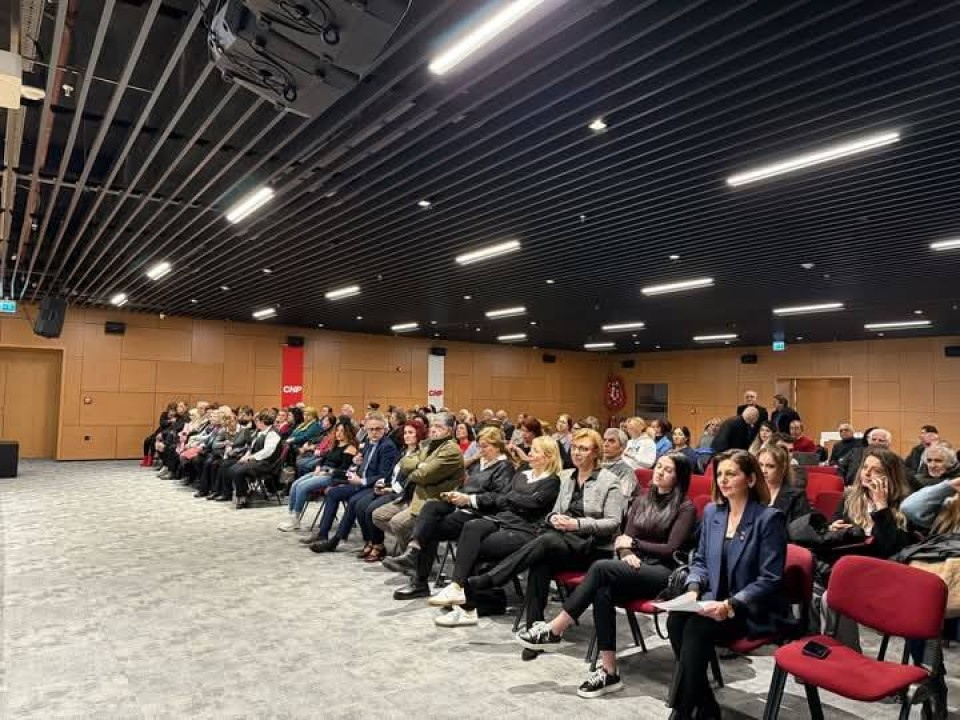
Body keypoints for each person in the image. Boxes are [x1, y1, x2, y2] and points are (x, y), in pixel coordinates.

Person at [515, 453, 696, 692]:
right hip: (634, 565)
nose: (660, 472)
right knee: (602, 591)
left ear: (679, 477)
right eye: (659, 466)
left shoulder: (685, 507)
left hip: (663, 573)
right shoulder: (641, 500)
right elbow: (623, 538)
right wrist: (625, 552)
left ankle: (556, 629)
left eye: (668, 470)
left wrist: (634, 545)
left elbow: (670, 549)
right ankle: (609, 672)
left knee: (601, 567)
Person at [460, 430, 623, 630]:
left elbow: (613, 523)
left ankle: (491, 579)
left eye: (583, 449)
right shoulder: (567, 477)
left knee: (546, 542)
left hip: (592, 548)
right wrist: (554, 518)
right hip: (565, 543)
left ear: (595, 453)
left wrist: (577, 524)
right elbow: (552, 512)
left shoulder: (609, 481)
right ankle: (533, 626)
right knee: (541, 561)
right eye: (574, 447)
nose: (576, 452)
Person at [668, 450, 788, 720]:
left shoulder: (768, 519)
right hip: (713, 600)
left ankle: (683, 711)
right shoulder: (713, 512)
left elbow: (769, 579)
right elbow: (700, 561)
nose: (723, 480)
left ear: (751, 479)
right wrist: (693, 589)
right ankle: (706, 706)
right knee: (676, 620)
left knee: (697, 627)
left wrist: (730, 604)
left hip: (749, 609)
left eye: (731, 474)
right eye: (719, 474)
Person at [422, 436, 562, 626]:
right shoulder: (522, 474)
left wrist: (513, 498)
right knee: (472, 526)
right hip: (502, 519)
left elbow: (534, 503)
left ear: (548, 456)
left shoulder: (552, 481)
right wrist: (516, 499)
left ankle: (469, 606)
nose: (529, 453)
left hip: (524, 530)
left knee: (474, 548)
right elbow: (504, 499)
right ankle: (457, 587)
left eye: (535, 451)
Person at [390, 427, 514, 598]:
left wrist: (469, 499)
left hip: (482, 515)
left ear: (498, 446)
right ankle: (414, 550)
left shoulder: (504, 467)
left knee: (429, 528)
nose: (481, 450)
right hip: (462, 508)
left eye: (485, 446)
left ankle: (419, 578)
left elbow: (500, 498)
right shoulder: (479, 464)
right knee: (431, 508)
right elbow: (467, 487)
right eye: (479, 446)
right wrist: (455, 494)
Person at [819, 448, 913, 651]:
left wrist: (881, 506)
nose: (867, 474)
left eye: (876, 470)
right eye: (865, 468)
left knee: (832, 597)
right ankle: (825, 649)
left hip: (882, 573)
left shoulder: (905, 505)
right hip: (845, 567)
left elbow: (889, 549)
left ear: (891, 476)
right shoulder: (850, 498)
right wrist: (833, 527)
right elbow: (831, 531)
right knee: (813, 592)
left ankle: (845, 653)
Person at [369, 412, 464, 556]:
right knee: (377, 515)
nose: (433, 430)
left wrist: (413, 472)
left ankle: (410, 557)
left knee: (398, 523)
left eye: (439, 427)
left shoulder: (450, 449)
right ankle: (413, 547)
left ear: (449, 431)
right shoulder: (429, 445)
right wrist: (419, 465)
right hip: (414, 495)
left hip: (432, 500)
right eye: (432, 426)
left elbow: (422, 476)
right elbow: (405, 462)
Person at [305, 413, 400, 550]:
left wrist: (361, 481)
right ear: (366, 430)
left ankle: (337, 540)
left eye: (377, 429)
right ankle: (323, 534)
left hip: (373, 486)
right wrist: (357, 462)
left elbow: (384, 475)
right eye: (371, 429)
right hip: (358, 481)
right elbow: (363, 463)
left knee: (354, 501)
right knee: (332, 493)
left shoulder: (387, 446)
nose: (374, 432)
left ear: (384, 430)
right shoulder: (369, 442)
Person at [280, 420, 358, 529]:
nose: (339, 433)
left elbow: (343, 470)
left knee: (302, 487)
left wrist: (326, 472)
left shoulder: (350, 448)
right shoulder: (336, 445)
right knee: (295, 484)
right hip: (322, 470)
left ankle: (295, 520)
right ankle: (292, 516)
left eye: (342, 431)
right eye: (337, 430)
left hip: (333, 476)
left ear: (348, 432)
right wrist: (318, 467)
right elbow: (323, 459)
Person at [226, 409, 282, 509]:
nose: (256, 423)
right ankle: (245, 491)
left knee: (239, 471)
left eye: (257, 421)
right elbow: (251, 448)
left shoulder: (273, 434)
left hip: (267, 464)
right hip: (257, 461)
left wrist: (250, 457)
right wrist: (245, 456)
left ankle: (242, 498)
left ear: (262, 422)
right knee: (232, 469)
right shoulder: (260, 432)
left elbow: (267, 452)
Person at [902, 443, 960, 530]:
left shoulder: (957, 482)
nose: (932, 465)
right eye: (929, 460)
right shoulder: (915, 480)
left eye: (938, 461)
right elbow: (907, 508)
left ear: (950, 463)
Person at [757, 444, 811, 523]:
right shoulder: (751, 492)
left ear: (783, 468)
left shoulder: (797, 496)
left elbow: (800, 527)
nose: (763, 470)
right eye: (760, 465)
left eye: (770, 466)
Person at [599, 428, 636, 498]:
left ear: (622, 447)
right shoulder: (595, 466)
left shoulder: (626, 472)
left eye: (611, 441)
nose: (605, 444)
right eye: (604, 440)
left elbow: (621, 499)